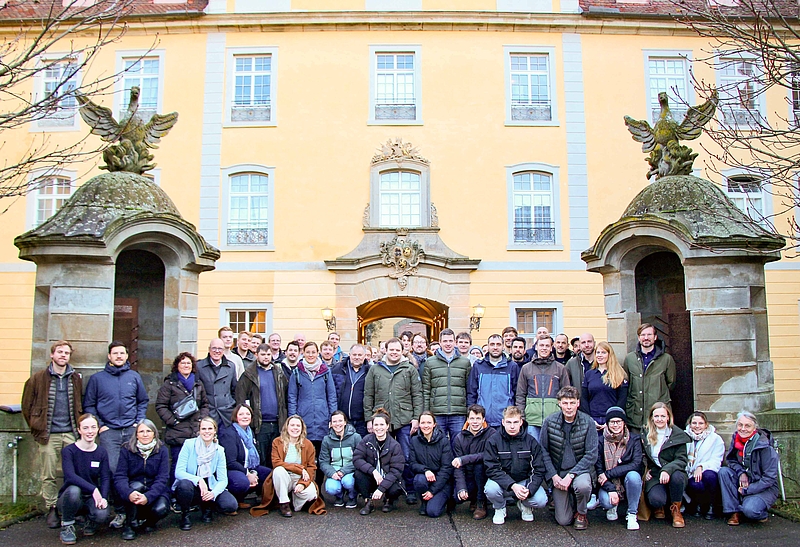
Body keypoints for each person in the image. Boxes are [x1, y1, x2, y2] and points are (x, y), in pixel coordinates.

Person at [83, 341, 148, 529]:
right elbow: (89, 404)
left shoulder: (134, 377)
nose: (119, 356)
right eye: (115, 353)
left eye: (122, 353)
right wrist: (100, 426)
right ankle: (119, 510)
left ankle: (133, 511)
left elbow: (142, 401)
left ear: (127, 356)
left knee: (132, 470)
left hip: (130, 430)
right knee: (111, 470)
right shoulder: (97, 379)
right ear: (109, 356)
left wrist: (138, 421)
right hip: (109, 432)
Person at [21, 340, 83, 529]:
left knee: (74, 472)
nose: (63, 355)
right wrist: (35, 426)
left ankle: (72, 507)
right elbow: (26, 406)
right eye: (60, 352)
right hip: (49, 434)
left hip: (71, 432)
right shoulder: (38, 378)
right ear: (52, 355)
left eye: (66, 353)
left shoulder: (76, 378)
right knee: (48, 474)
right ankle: (52, 508)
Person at [363, 337, 423, 504]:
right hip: (381, 421)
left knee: (406, 455)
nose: (394, 353)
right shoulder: (375, 370)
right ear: (385, 350)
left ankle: (409, 489)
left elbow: (417, 395)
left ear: (403, 351)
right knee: (381, 457)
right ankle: (385, 491)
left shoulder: (409, 369)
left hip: (404, 419)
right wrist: (369, 419)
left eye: (398, 350)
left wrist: (416, 418)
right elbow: (368, 395)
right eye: (391, 349)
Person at [540, 386, 598, 529]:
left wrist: (571, 475)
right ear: (559, 403)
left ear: (578, 403)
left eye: (572, 403)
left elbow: (591, 454)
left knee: (582, 486)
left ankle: (581, 513)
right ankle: (569, 500)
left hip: (580, 471)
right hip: (559, 473)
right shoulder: (549, 422)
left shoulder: (588, 422)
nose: (569, 407)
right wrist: (553, 476)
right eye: (565, 403)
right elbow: (543, 451)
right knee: (563, 520)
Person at [483, 406, 548, 525]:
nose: (512, 426)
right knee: (490, 489)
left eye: (515, 422)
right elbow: (492, 469)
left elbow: (538, 469)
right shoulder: (493, 441)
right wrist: (512, 485)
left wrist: (529, 490)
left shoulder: (531, 441)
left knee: (541, 500)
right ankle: (499, 507)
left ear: (521, 422)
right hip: (503, 483)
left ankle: (524, 504)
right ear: (503, 422)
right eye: (508, 422)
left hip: (524, 482)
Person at [155, 352, 210, 489]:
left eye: (189, 363)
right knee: (178, 464)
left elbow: (205, 404)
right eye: (183, 363)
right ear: (177, 366)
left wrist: (201, 419)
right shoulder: (169, 384)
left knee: (195, 465)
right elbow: (160, 406)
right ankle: (175, 494)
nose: (186, 366)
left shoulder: (198, 384)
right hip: (177, 432)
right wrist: (173, 421)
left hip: (195, 431)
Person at [173, 416, 238, 530]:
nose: (207, 432)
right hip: (191, 485)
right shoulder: (189, 445)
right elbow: (179, 472)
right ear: (199, 430)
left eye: (210, 428)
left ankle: (208, 507)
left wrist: (214, 493)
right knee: (184, 485)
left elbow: (223, 479)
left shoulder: (219, 450)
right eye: (203, 429)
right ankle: (185, 515)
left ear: (214, 431)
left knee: (231, 505)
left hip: (210, 484)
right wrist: (198, 480)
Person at [56, 413, 111, 545]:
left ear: (98, 429)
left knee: (102, 514)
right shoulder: (69, 451)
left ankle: (89, 520)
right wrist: (93, 489)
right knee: (74, 491)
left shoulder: (101, 452)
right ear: (79, 430)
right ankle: (67, 525)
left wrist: (103, 497)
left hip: (90, 498)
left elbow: (105, 477)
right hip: (70, 497)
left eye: (93, 427)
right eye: (85, 428)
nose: (90, 431)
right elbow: (70, 476)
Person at [252, 415, 322, 518]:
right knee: (278, 470)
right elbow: (276, 463)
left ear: (302, 428)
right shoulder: (277, 442)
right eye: (292, 425)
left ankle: (295, 502)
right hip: (284, 477)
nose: (295, 428)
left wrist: (303, 484)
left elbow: (311, 467)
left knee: (311, 494)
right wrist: (299, 468)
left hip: (300, 478)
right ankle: (284, 503)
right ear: (287, 427)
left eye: (298, 425)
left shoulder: (308, 444)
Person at [113, 420, 170, 540]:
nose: (145, 434)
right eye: (141, 431)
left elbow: (162, 478)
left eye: (148, 431)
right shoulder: (126, 449)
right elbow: (120, 476)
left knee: (161, 509)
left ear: (154, 433)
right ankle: (130, 525)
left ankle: (148, 522)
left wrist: (148, 496)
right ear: (136, 434)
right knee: (136, 487)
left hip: (154, 491)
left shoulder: (162, 450)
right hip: (133, 490)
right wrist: (128, 493)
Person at [720, 411, 780, 525]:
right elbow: (731, 460)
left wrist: (748, 490)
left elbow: (769, 478)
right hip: (744, 480)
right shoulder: (736, 438)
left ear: (754, 428)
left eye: (747, 426)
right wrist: (741, 473)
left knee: (751, 511)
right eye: (740, 425)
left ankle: (756, 512)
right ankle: (734, 512)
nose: (743, 429)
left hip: (763, 487)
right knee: (724, 472)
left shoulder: (765, 446)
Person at [235, 343, 289, 466]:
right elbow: (241, 398)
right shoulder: (249, 374)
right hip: (259, 424)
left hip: (277, 423)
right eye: (263, 354)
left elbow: (285, 396)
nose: (266, 357)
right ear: (256, 355)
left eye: (268, 354)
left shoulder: (279, 373)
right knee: (262, 459)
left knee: (276, 459)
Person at [642, 402, 690, 528]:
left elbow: (681, 459)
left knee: (677, 478)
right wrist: (645, 470)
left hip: (674, 472)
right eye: (656, 416)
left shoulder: (678, 434)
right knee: (656, 500)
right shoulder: (645, 433)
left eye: (663, 416)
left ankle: (676, 510)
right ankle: (661, 505)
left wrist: (667, 470)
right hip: (656, 473)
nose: (659, 419)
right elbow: (642, 456)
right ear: (652, 417)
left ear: (668, 417)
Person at [595, 406, 643, 530]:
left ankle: (632, 514)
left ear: (624, 423)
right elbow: (599, 470)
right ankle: (612, 506)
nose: (615, 425)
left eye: (618, 422)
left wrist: (609, 473)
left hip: (626, 479)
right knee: (607, 501)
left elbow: (636, 463)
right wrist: (611, 489)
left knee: (634, 476)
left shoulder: (634, 439)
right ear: (607, 424)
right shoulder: (600, 441)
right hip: (607, 482)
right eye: (612, 422)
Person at [422, 328, 471, 448]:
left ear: (455, 342)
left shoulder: (465, 362)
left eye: (450, 341)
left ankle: (457, 467)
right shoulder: (430, 362)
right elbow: (426, 389)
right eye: (445, 341)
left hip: (458, 412)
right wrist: (427, 412)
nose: (448, 344)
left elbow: (469, 389)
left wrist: (468, 411)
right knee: (438, 446)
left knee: (458, 445)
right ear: (440, 343)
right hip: (437, 412)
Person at [623, 323, 677, 431]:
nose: (646, 338)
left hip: (657, 417)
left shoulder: (666, 359)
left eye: (649, 334)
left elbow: (671, 383)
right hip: (635, 416)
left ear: (655, 337)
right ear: (639, 337)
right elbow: (627, 383)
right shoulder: (630, 359)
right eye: (643, 335)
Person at [288, 341, 337, 456]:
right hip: (303, 418)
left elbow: (332, 396)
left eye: (313, 352)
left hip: (322, 418)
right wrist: (293, 418)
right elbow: (292, 397)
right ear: (303, 353)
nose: (310, 355)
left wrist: (332, 417)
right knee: (304, 454)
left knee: (321, 455)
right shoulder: (297, 373)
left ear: (317, 353)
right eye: (308, 352)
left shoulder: (325, 372)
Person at [516, 336, 570, 441]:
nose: (544, 348)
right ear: (536, 347)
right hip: (532, 420)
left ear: (551, 348)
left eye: (547, 345)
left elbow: (566, 394)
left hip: (554, 419)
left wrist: (563, 415)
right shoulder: (526, 368)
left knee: (553, 453)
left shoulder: (560, 368)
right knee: (534, 452)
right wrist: (522, 416)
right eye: (541, 345)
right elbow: (520, 395)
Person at [352, 409, 406, 515]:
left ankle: (389, 501)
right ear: (372, 427)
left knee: (396, 488)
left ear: (387, 426)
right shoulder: (366, 440)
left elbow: (396, 471)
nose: (379, 427)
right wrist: (373, 471)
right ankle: (368, 501)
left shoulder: (395, 445)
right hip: (373, 477)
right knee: (358, 475)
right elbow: (357, 458)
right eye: (376, 425)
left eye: (382, 424)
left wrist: (381, 489)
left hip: (388, 478)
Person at [218, 404, 271, 507]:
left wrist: (254, 472)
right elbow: (230, 462)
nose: (245, 416)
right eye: (241, 414)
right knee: (241, 482)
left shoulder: (249, 432)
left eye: (247, 414)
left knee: (270, 475)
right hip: (233, 470)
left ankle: (262, 499)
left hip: (250, 467)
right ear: (235, 417)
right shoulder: (229, 434)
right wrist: (248, 474)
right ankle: (236, 499)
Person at [452, 404, 496, 520]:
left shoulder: (491, 434)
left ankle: (481, 503)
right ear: (467, 420)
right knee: (456, 497)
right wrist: (461, 487)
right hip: (469, 476)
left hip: (486, 475)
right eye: (472, 418)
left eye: (478, 418)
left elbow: (487, 455)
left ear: (483, 420)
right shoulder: (459, 438)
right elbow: (458, 466)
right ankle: (473, 499)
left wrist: (464, 459)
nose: (475, 422)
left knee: (479, 466)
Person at [467, 334, 520, 430]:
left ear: (503, 346)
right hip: (483, 420)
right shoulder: (478, 366)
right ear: (488, 346)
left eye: (498, 344)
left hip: (505, 420)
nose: (495, 347)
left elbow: (517, 393)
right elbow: (472, 393)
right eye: (492, 344)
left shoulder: (512, 366)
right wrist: (473, 415)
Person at [409, 411, 454, 518]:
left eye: (429, 422)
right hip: (425, 478)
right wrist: (425, 470)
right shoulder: (414, 441)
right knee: (419, 480)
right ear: (419, 424)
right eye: (423, 423)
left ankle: (446, 500)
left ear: (434, 424)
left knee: (433, 512)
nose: (426, 426)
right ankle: (424, 502)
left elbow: (446, 469)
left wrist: (432, 491)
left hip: (442, 482)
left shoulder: (444, 441)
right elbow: (412, 464)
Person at [580, 341, 629, 432]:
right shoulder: (589, 374)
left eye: (603, 352)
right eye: (598, 352)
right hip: (593, 419)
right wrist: (590, 419)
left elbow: (622, 400)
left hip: (613, 420)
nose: (600, 355)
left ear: (609, 355)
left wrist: (612, 419)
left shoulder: (619, 374)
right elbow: (584, 398)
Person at [684, 411, 725, 519]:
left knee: (709, 476)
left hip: (707, 472)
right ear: (690, 424)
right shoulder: (683, 437)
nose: (697, 426)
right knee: (696, 484)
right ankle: (698, 504)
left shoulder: (715, 439)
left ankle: (712, 506)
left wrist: (701, 466)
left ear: (706, 424)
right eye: (694, 423)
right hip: (689, 473)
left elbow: (716, 461)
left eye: (701, 423)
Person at [319, 411, 362, 508]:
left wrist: (343, 471)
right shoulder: (326, 440)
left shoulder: (356, 437)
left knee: (349, 482)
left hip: (350, 470)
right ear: (330, 424)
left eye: (340, 421)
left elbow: (359, 458)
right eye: (334, 421)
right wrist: (332, 473)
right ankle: (339, 496)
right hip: (334, 471)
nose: (337, 424)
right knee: (331, 488)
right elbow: (323, 461)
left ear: (345, 422)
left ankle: (352, 497)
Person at [196, 338, 238, 428]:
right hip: (209, 412)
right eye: (214, 348)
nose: (217, 351)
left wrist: (231, 405)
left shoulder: (231, 366)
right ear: (209, 349)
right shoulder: (199, 366)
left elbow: (234, 390)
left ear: (224, 350)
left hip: (226, 413)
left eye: (220, 349)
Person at [331, 343, 371, 437]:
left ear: (365, 356)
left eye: (360, 355)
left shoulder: (370, 371)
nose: (357, 357)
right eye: (354, 354)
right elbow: (331, 394)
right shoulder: (338, 369)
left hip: (362, 422)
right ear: (349, 355)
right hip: (342, 421)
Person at [566, 333, 595, 398]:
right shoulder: (571, 363)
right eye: (583, 342)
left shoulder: (602, 361)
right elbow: (565, 386)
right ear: (580, 345)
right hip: (579, 403)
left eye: (589, 341)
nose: (587, 345)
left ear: (594, 343)